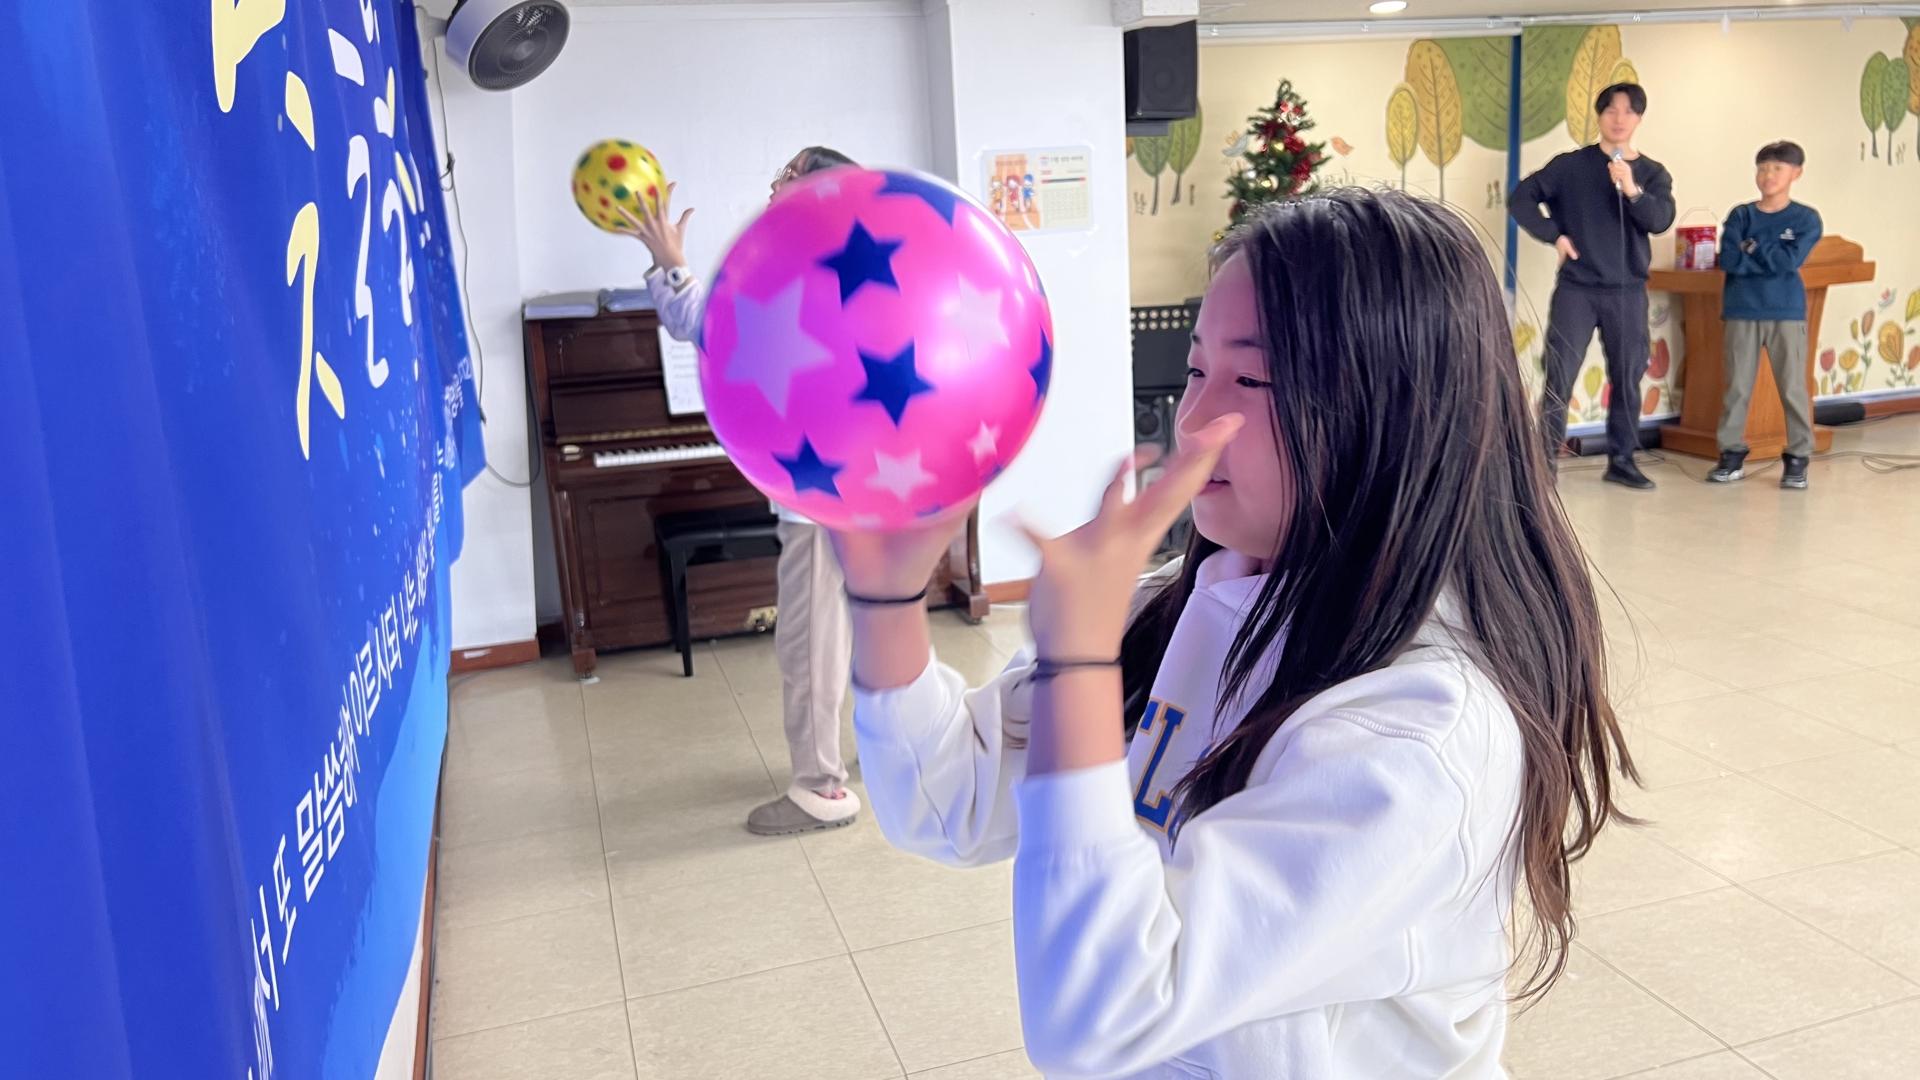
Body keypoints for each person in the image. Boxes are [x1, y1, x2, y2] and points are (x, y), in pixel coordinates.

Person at [830, 189, 1635, 1076]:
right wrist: (887, 600)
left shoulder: (1421, 728)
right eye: (1195, 370)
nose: (1193, 419)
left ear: (1394, 413)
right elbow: (946, 801)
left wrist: (1078, 670)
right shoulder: (1174, 606)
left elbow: (1101, 1014)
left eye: (1251, 381)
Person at [617, 146, 864, 836]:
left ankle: (821, 790)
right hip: (866, 481)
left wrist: (670, 260)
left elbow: (706, 323)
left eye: (790, 172)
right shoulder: (849, 258)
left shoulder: (800, 263)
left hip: (819, 492)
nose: (775, 182)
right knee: (862, 629)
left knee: (810, 642)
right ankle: (882, 753)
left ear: (816, 188)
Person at [1510, 82, 1677, 489]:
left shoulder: (1652, 173)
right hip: (1578, 289)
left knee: (1628, 376)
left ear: (1639, 118)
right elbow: (1521, 198)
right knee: (1560, 375)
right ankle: (1542, 464)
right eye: (1611, 111)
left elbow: (1659, 220)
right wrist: (1555, 235)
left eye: (1628, 111)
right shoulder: (1570, 166)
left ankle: (1622, 460)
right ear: (1599, 116)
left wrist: (1631, 189)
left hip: (1628, 291)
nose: (1619, 119)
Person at [1708, 141, 1822, 489]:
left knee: (1792, 388)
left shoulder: (1806, 218)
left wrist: (1753, 247)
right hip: (1741, 310)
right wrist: (1763, 255)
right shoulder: (1741, 215)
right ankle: (1731, 455)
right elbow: (1729, 259)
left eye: (1777, 168)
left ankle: (1798, 458)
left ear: (1796, 173)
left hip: (1786, 312)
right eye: (1762, 168)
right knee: (1737, 387)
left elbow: (1790, 262)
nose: (1767, 175)